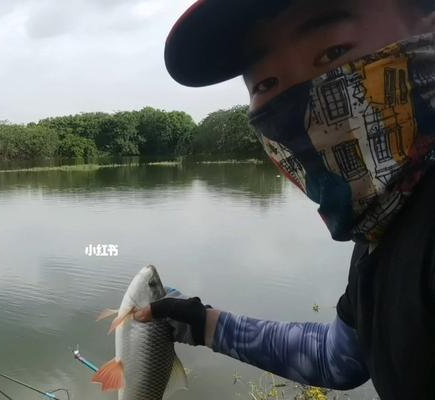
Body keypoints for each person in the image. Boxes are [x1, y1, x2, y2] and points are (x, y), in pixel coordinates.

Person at [134, 0, 435, 398]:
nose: (298, 96)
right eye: (265, 84)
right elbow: (339, 357)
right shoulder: (383, 219)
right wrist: (202, 323)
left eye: (332, 53)